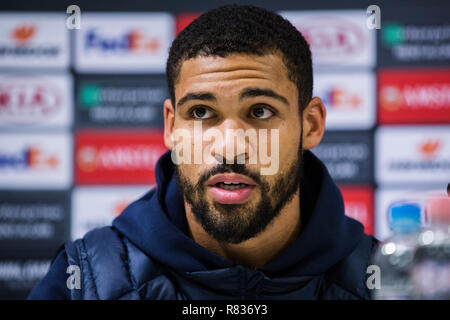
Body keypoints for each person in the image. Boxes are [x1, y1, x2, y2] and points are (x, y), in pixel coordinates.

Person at [28, 4, 378, 300]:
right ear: (170, 127)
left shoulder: (386, 280)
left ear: (311, 124)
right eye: (200, 113)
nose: (229, 149)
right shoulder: (85, 281)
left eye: (260, 112)